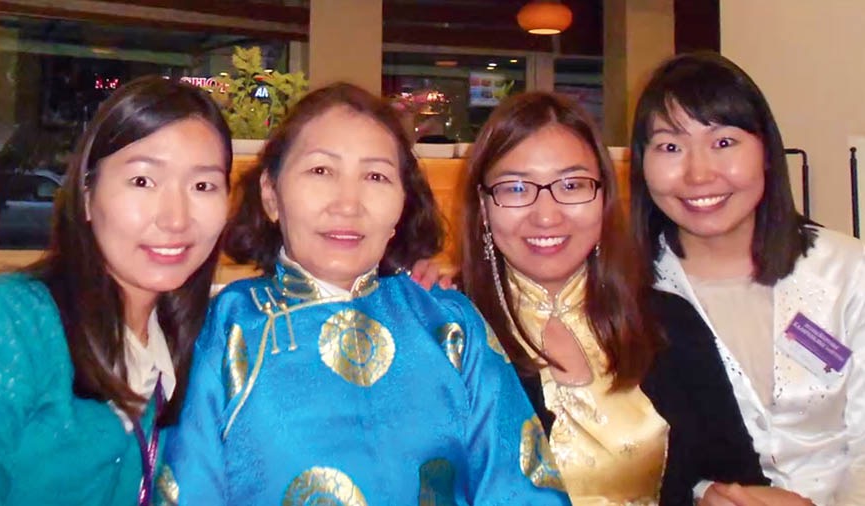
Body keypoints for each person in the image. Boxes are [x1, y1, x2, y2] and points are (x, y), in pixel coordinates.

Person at [161, 82, 571, 505]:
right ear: (271, 195)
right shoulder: (224, 329)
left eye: (376, 176)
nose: (348, 204)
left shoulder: (449, 326)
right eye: (321, 171)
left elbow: (523, 488)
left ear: (402, 204)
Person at [455, 91, 767, 505]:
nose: (547, 215)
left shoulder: (668, 323)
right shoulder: (446, 330)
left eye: (572, 185)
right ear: (483, 204)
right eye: (515, 188)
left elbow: (735, 479)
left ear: (604, 197)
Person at [0, 76, 232, 506]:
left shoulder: (195, 347)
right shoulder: (12, 319)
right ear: (87, 196)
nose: (176, 218)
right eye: (143, 181)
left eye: (202, 186)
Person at [631, 51, 864, 506]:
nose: (698, 174)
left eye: (723, 143)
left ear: (767, 153)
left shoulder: (849, 272)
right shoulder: (626, 291)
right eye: (670, 147)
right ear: (642, 163)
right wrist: (700, 494)